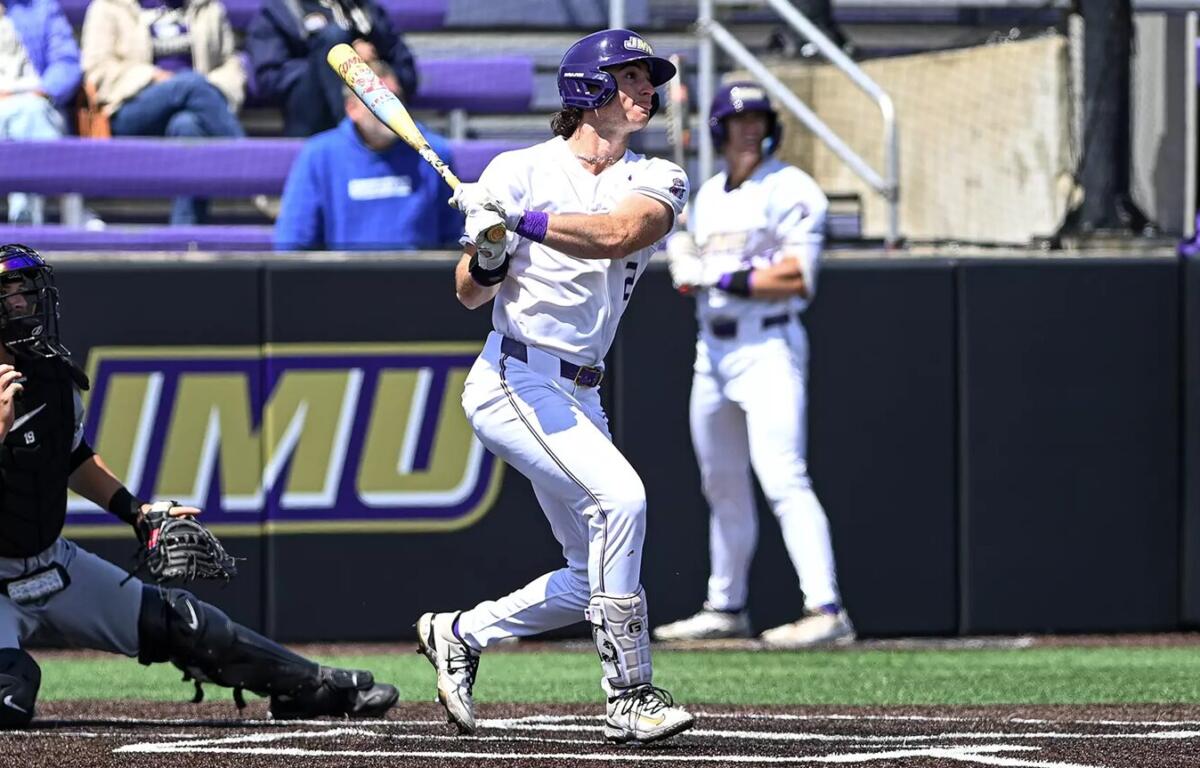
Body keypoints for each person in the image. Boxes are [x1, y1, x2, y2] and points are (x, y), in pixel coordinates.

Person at [415, 29, 694, 745]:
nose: (645, 91)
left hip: (580, 390)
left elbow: (617, 235)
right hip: (513, 377)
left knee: (587, 573)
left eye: (646, 79)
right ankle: (629, 695)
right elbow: (470, 296)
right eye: (629, 77)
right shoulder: (517, 169)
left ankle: (459, 632)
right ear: (587, 90)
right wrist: (488, 251)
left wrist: (520, 223)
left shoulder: (656, 176)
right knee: (622, 499)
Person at [0, 243, 400, 728]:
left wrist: (136, 511)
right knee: (10, 693)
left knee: (184, 623)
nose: (21, 303)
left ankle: (308, 685)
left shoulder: (49, 375)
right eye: (7, 293)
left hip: (49, 561)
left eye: (25, 291)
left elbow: (72, 457)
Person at [652, 82, 854, 648]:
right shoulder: (710, 195)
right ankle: (726, 604)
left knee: (783, 475)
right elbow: (694, 264)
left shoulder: (791, 189)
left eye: (758, 118)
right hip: (711, 350)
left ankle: (825, 607)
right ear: (718, 128)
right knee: (720, 482)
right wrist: (683, 254)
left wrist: (713, 275)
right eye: (738, 119)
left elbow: (795, 278)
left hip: (768, 346)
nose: (748, 128)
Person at [80, 0, 246, 225]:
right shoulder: (109, 6)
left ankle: (186, 238)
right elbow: (97, 70)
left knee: (187, 126)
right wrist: (152, 77)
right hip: (129, 107)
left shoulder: (207, 6)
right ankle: (251, 167)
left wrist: (210, 88)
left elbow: (230, 63)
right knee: (189, 84)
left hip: (197, 104)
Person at [273, 59, 460, 251]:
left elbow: (454, 238)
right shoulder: (318, 156)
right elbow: (292, 242)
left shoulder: (433, 152)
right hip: (344, 278)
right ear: (352, 108)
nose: (389, 112)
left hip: (418, 278)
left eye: (394, 98)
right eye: (378, 102)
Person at [246, 0, 417, 138]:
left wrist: (372, 63)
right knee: (334, 40)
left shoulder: (365, 10)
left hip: (374, 108)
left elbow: (407, 73)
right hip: (311, 116)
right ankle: (351, 135)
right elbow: (269, 79)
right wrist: (341, 60)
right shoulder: (279, 10)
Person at [1, 0, 80, 225]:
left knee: (30, 114)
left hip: (35, 100)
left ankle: (24, 220)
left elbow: (66, 62)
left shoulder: (41, 7)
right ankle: (29, 229)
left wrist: (43, 91)